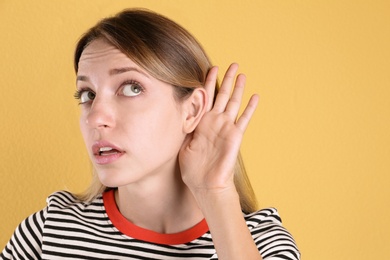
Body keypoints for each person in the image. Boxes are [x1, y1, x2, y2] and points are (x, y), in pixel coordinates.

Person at [1, 8, 300, 260]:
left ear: (192, 110)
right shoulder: (48, 232)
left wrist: (215, 193)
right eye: (87, 94)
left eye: (131, 88)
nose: (96, 117)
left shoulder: (262, 243)